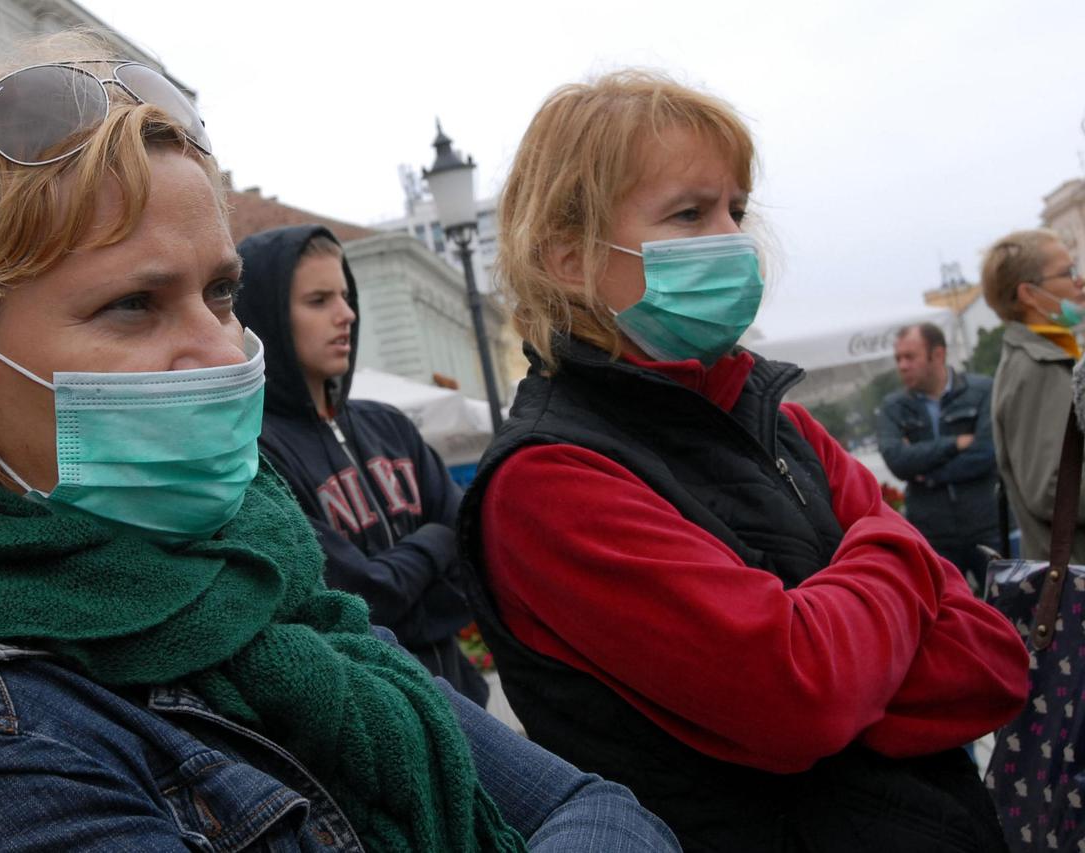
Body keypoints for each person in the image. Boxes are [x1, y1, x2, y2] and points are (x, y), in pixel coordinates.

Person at [0, 40, 679, 853]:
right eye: (134, 304)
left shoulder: (262, 587)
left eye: (221, 292)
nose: (226, 351)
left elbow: (600, 808)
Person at [455, 69, 1029, 853]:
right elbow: (801, 695)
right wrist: (895, 548)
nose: (732, 237)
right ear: (568, 258)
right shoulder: (546, 480)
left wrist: (846, 661)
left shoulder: (780, 420)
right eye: (690, 213)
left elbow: (989, 659)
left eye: (737, 208)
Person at [233, 225, 488, 706]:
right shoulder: (257, 454)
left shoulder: (390, 426)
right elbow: (357, 598)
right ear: (268, 317)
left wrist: (403, 594)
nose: (346, 314)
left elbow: (472, 545)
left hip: (463, 693)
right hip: (379, 708)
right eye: (318, 300)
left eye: (346, 297)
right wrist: (437, 540)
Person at [982, 228, 1085, 561]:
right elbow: (1051, 490)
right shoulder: (1036, 367)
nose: (1080, 281)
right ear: (1029, 293)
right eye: (1068, 272)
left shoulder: (1052, 354)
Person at [876, 322, 1000, 586]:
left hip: (989, 526)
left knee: (1006, 606)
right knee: (948, 610)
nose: (902, 366)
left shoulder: (983, 391)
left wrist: (926, 472)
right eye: (898, 359)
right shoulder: (893, 407)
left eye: (910, 357)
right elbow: (897, 461)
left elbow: (986, 453)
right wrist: (955, 444)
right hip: (932, 536)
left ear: (938, 354)